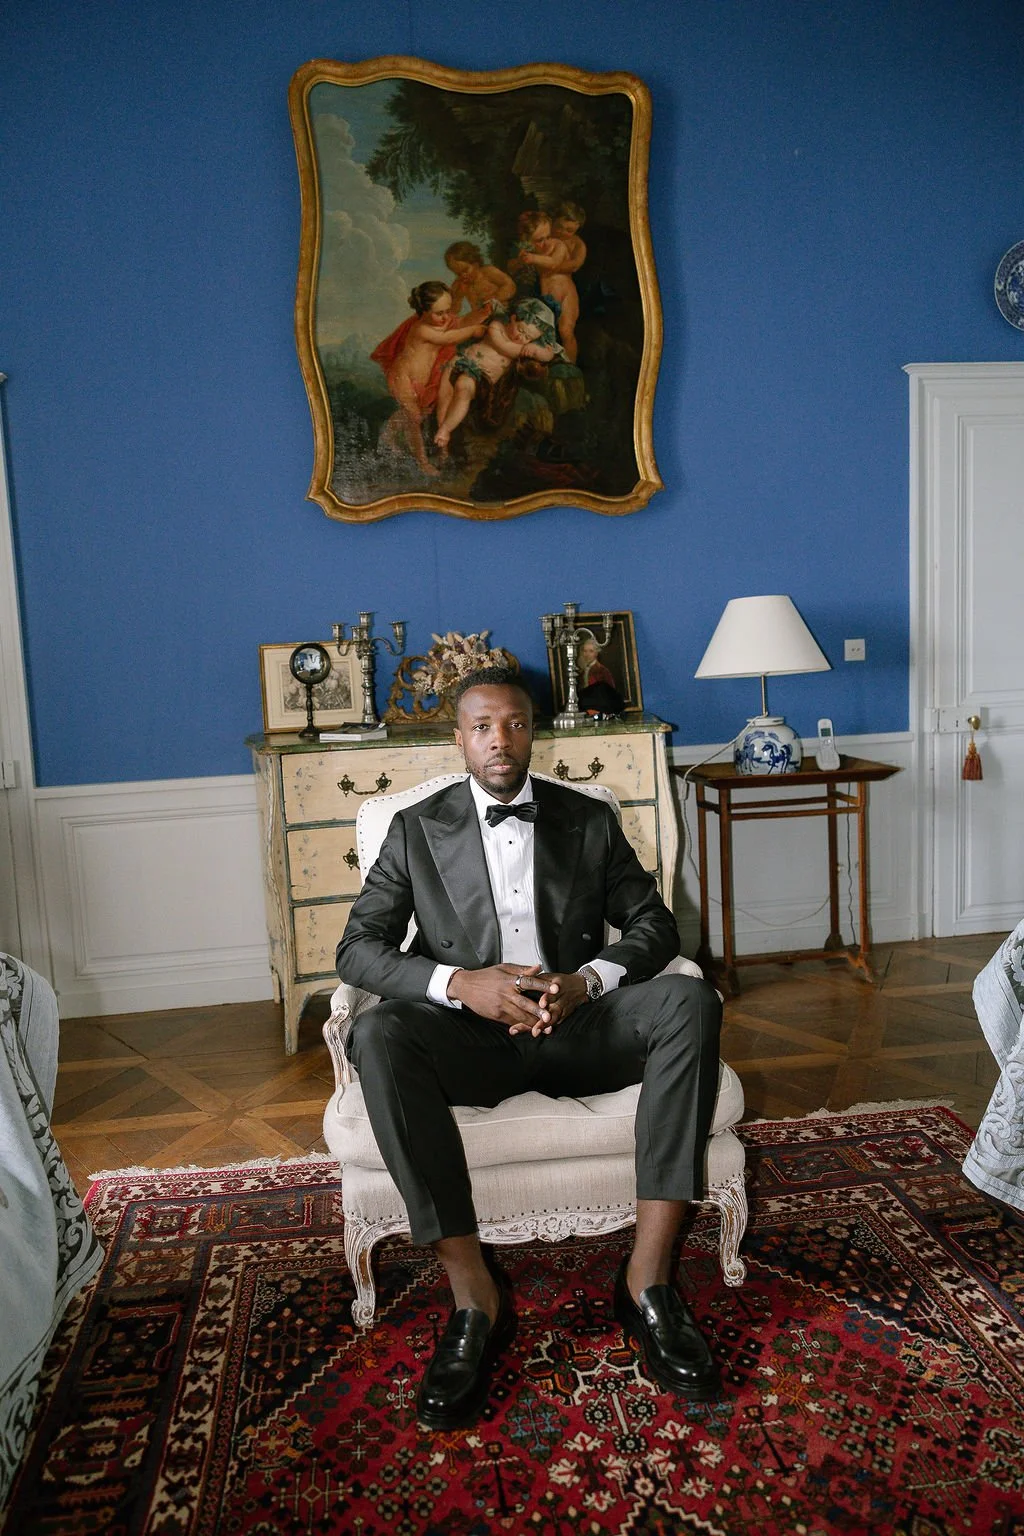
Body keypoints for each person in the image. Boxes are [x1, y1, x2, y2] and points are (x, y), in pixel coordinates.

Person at [337, 667, 723, 1430]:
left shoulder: (585, 818)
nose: (499, 740)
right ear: (458, 739)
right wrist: (459, 984)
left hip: (578, 1028)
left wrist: (590, 979)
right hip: (473, 1040)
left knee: (687, 997)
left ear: (532, 731)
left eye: (513, 723)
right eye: (482, 726)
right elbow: (359, 949)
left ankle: (647, 1280)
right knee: (377, 1031)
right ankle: (473, 1293)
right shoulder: (416, 828)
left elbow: (654, 926)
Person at [370, 282, 488, 476]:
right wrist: (474, 330)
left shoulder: (438, 322)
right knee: (414, 418)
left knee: (415, 413)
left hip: (421, 381)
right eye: (439, 313)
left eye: (448, 311)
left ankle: (387, 437)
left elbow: (459, 323)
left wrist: (481, 315)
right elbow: (449, 338)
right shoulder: (421, 329)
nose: (446, 317)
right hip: (403, 378)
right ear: (423, 310)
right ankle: (423, 463)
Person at [433, 299, 562, 457]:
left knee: (463, 388)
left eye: (528, 338)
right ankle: (441, 432)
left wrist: (542, 352)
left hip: (480, 378)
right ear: (513, 318)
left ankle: (445, 430)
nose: (521, 338)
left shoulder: (522, 345)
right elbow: (506, 348)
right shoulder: (496, 327)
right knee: (444, 395)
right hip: (460, 362)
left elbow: (548, 356)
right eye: (521, 330)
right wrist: (534, 350)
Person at [512, 208, 583, 362]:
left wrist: (533, 258)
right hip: (546, 300)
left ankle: (570, 365)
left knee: (566, 332)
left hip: (566, 295)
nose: (545, 242)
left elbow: (553, 263)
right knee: (540, 334)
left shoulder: (558, 245)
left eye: (548, 236)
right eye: (539, 240)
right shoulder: (530, 252)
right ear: (528, 240)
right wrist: (519, 261)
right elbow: (512, 267)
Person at [444, 241, 517, 314]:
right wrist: (458, 297)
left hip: (502, 313)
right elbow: (453, 311)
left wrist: (494, 297)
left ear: (475, 264)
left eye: (465, 270)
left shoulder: (488, 272)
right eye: (458, 273)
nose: (463, 275)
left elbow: (510, 285)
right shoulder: (458, 284)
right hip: (481, 318)